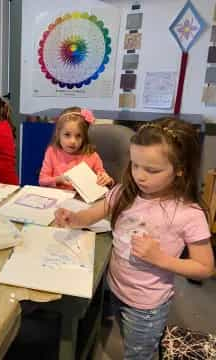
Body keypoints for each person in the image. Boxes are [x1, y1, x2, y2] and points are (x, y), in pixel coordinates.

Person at [54, 117, 214, 359]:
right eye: (135, 165)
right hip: (114, 288)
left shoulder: (188, 213)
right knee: (124, 336)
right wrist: (72, 218)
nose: (140, 176)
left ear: (180, 169)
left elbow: (205, 267)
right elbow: (91, 215)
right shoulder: (124, 192)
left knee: (138, 354)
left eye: (152, 170)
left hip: (146, 307)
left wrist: (159, 258)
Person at [39, 107, 113, 190]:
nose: (72, 141)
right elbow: (42, 180)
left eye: (78, 136)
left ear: (84, 137)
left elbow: (105, 179)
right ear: (58, 134)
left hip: (83, 200)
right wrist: (58, 180)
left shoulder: (92, 156)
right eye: (67, 135)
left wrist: (107, 180)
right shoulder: (52, 152)